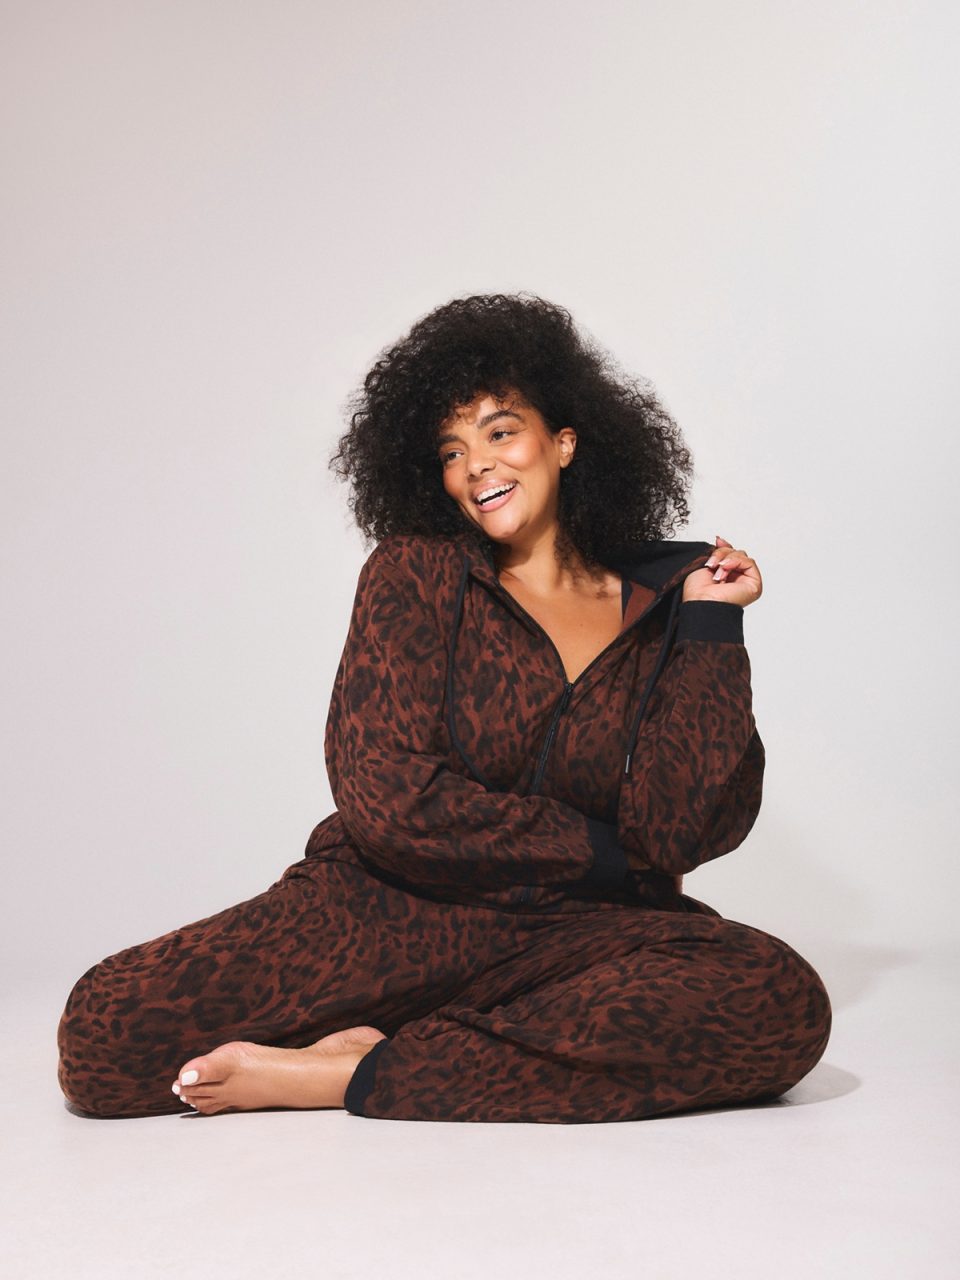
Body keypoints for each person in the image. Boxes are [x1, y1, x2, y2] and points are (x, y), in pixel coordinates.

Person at [57, 292, 832, 1123]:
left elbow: (681, 832)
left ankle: (346, 1073)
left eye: (501, 432)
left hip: (572, 935)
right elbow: (386, 795)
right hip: (383, 911)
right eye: (452, 452)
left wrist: (713, 624)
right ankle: (452, 1047)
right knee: (103, 1037)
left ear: (564, 441)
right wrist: (604, 854)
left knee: (777, 997)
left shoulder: (664, 607)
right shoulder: (417, 573)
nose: (477, 468)